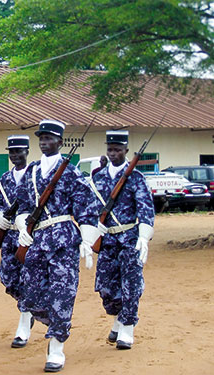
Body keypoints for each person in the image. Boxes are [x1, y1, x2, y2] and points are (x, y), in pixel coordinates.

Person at [14, 119, 100, 372]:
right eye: (41, 138)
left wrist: (86, 239)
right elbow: (23, 205)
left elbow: (86, 207)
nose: (44, 142)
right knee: (30, 295)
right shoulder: (31, 171)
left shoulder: (71, 172)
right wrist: (22, 227)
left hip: (63, 240)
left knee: (63, 295)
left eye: (49, 138)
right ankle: (52, 324)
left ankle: (56, 347)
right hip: (37, 240)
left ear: (60, 142)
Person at [91, 130, 155, 350]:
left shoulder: (136, 178)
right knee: (106, 288)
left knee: (130, 284)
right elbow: (90, 208)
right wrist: (92, 225)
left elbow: (146, 209)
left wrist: (144, 237)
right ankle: (118, 317)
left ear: (126, 151)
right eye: (110, 149)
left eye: (118, 149)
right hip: (107, 239)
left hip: (129, 238)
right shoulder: (98, 177)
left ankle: (127, 328)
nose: (113, 153)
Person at [0, 135, 34, 348]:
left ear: (27, 152)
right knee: (8, 278)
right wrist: (0, 217)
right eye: (11, 152)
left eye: (19, 152)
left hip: (29, 237)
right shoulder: (4, 179)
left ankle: (24, 321)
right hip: (9, 237)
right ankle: (27, 307)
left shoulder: (36, 175)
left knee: (28, 279)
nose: (15, 156)